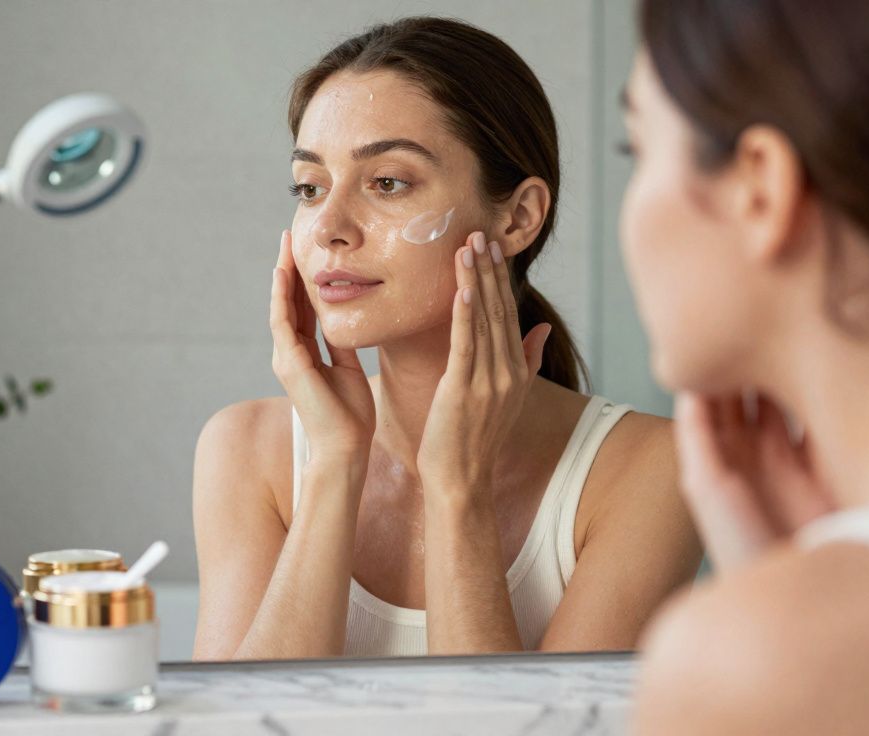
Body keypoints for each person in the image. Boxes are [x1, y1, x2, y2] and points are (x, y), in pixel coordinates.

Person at [192, 16, 702, 660]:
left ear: (517, 218)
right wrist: (333, 466)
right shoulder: (245, 452)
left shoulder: (648, 469)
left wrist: (457, 490)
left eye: (387, 182)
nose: (328, 228)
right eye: (310, 187)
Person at [618, 1, 869, 732]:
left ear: (760, 188)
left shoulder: (745, 660)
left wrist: (777, 615)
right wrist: (795, 571)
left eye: (636, 149)